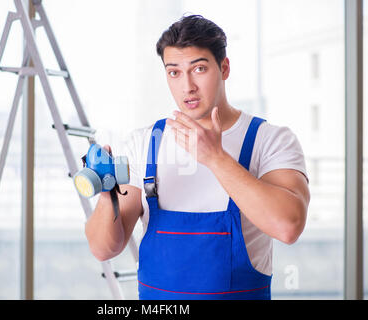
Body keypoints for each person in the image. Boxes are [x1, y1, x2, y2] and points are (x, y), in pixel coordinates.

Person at [85, 14, 310, 300]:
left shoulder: (270, 140)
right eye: (174, 72)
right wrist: (108, 196)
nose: (187, 86)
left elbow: (288, 227)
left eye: (199, 68)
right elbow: (104, 248)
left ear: (224, 67)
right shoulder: (144, 144)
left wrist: (216, 158)